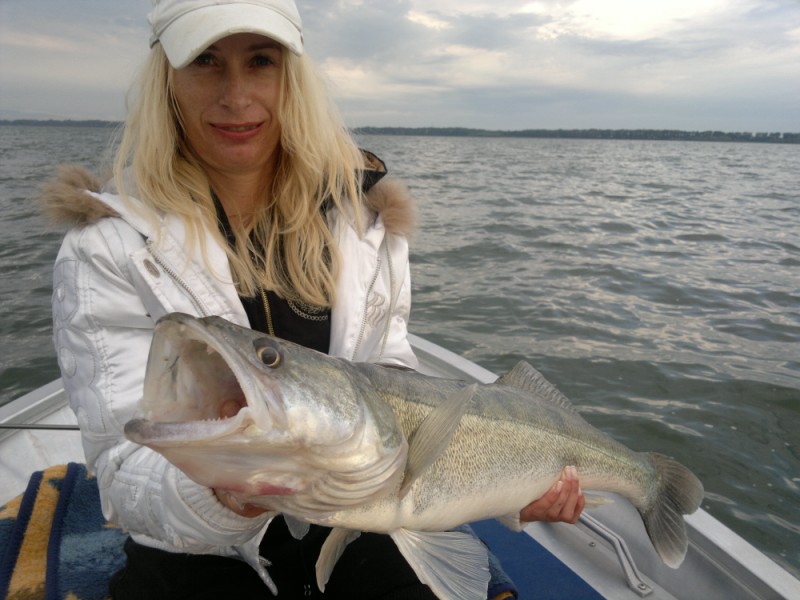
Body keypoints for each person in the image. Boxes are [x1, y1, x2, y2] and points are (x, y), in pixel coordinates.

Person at [42, 0, 585, 598]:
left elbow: (396, 381)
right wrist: (227, 496)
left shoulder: (366, 223)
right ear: (166, 80)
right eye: (205, 61)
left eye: (260, 61)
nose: (235, 96)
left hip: (361, 517)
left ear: (293, 77)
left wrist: (504, 484)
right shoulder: (109, 248)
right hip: (201, 547)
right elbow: (123, 472)